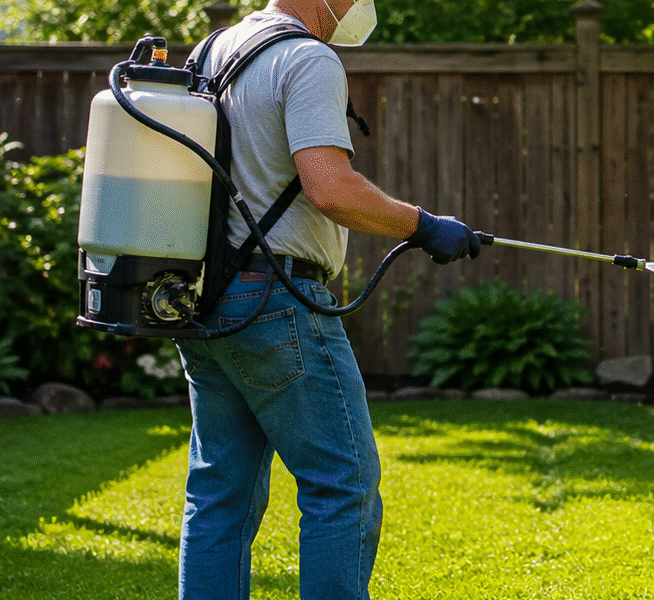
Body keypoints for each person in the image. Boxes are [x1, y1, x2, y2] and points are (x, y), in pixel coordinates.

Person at [172, 0, 478, 598]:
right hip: (275, 303)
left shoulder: (215, 51)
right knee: (342, 485)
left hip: (206, 300)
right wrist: (423, 225)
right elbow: (331, 189)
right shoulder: (306, 58)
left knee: (217, 496)